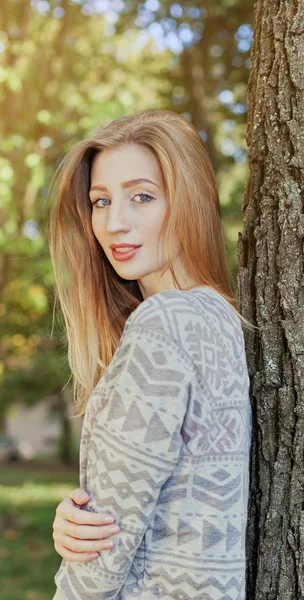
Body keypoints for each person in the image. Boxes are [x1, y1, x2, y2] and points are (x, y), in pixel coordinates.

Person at [47, 109, 253, 599]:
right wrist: (76, 520)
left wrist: (81, 547)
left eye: (142, 196)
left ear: (188, 201)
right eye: (101, 201)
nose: (115, 223)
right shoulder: (218, 318)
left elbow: (101, 559)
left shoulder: (164, 326)